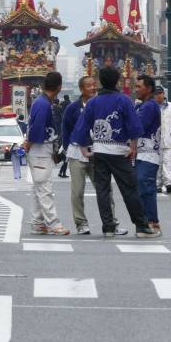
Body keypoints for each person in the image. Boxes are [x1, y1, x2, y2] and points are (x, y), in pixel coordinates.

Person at [71, 67, 159, 238]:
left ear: (101, 82)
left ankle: (108, 226)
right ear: (117, 81)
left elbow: (82, 127)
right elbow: (134, 127)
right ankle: (141, 226)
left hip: (99, 151)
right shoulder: (124, 100)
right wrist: (133, 146)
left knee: (103, 190)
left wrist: (83, 148)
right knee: (129, 189)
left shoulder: (93, 102)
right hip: (119, 151)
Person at [61, 75, 122, 235]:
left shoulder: (101, 106)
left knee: (105, 189)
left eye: (95, 85)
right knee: (77, 191)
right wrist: (67, 149)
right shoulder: (72, 108)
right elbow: (65, 129)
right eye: (89, 85)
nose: (93, 88)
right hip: (77, 153)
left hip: (98, 152)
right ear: (81, 89)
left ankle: (111, 222)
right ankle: (81, 223)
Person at [25, 72, 71, 235]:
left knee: (39, 187)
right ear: (59, 87)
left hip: (40, 148)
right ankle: (53, 222)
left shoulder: (42, 102)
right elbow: (37, 129)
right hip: (39, 148)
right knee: (44, 187)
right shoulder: (44, 104)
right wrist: (28, 144)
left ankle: (38, 222)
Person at [134, 75, 162, 231]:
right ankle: (146, 220)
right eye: (136, 86)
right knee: (141, 186)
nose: (136, 89)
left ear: (149, 88)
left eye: (139, 87)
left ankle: (152, 221)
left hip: (149, 152)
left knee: (146, 185)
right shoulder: (142, 106)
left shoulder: (149, 106)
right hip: (141, 152)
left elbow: (138, 126)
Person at [155, 86, 171, 194]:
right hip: (156, 139)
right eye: (157, 93)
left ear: (163, 94)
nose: (159, 95)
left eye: (160, 93)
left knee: (169, 162)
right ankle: (157, 184)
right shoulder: (152, 107)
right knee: (158, 163)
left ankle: (169, 183)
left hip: (170, 138)